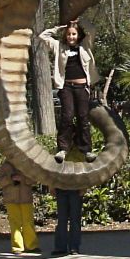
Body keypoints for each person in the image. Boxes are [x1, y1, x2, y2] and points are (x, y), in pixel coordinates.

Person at [39, 18, 100, 163]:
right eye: (68, 34)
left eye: (73, 34)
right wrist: (59, 27)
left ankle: (86, 151)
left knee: (82, 117)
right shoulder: (59, 46)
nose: (71, 37)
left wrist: (81, 22)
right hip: (66, 87)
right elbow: (43, 36)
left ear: (78, 35)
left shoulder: (85, 45)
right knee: (67, 116)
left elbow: (92, 30)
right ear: (65, 35)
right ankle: (62, 149)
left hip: (82, 87)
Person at [0, 159, 39, 255]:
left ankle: (31, 245)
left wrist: (23, 178)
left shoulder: (28, 164)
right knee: (14, 222)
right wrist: (10, 179)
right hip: (11, 199)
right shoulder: (5, 165)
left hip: (25, 198)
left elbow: (34, 179)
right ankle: (17, 246)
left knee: (28, 221)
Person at [52, 149, 86, 255]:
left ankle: (74, 247)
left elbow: (84, 171)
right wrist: (51, 186)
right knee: (62, 219)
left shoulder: (79, 153)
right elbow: (52, 171)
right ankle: (60, 247)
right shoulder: (58, 153)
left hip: (75, 188)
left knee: (75, 218)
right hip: (61, 188)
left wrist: (84, 186)